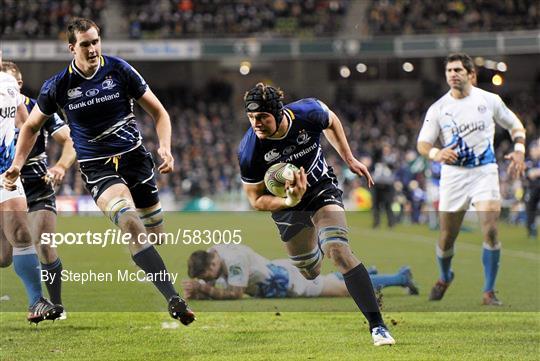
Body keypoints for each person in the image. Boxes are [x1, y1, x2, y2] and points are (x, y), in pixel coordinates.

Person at [2, 18, 194, 325]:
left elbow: (159, 112)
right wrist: (16, 165)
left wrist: (166, 148)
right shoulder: (58, 85)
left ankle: (152, 264)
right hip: (97, 166)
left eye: (96, 41)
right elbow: (30, 126)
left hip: (135, 160)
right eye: (85, 44)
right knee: (130, 224)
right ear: (71, 48)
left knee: (155, 234)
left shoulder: (119, 70)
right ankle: (173, 298)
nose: (92, 49)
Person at [237, 83, 395, 346]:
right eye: (251, 117)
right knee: (310, 271)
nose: (257, 123)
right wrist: (289, 199)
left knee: (337, 249)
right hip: (286, 204)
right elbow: (255, 199)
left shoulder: (308, 112)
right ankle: (332, 254)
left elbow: (332, 121)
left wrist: (348, 157)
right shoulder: (249, 150)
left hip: (321, 188)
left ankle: (377, 326)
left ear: (278, 113)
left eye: (262, 117)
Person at [417, 53, 526, 305]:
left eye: (458, 70)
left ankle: (488, 291)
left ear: (471, 75)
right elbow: (423, 143)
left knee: (490, 229)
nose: (453, 74)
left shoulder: (489, 100)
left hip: (484, 172)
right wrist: (436, 152)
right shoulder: (439, 108)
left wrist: (519, 150)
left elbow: (515, 125)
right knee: (447, 236)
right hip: (453, 177)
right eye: (449, 71)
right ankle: (445, 277)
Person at [0, 61, 75, 318]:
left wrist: (61, 166)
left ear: (18, 84)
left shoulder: (39, 109)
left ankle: (54, 304)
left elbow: (69, 141)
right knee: (3, 257)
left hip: (36, 185)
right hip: (9, 180)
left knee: (41, 243)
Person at [183, 244, 419, 300]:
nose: (210, 279)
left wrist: (205, 289)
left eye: (207, 276)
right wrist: (203, 290)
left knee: (345, 289)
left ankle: (400, 278)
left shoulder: (233, 261)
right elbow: (222, 286)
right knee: (338, 281)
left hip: (288, 282)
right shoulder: (215, 253)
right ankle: (371, 272)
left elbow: (235, 293)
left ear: (212, 265)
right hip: (277, 272)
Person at [525, 139, 540, 239]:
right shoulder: (529, 161)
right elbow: (529, 174)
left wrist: (536, 172)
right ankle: (531, 230)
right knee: (530, 209)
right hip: (532, 189)